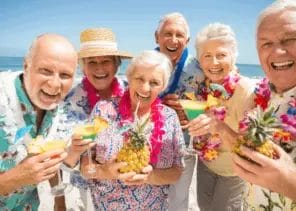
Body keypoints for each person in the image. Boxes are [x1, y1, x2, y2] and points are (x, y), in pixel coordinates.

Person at [81, 50, 185, 210]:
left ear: (163, 86)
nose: (145, 88)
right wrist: (105, 171)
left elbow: (178, 171)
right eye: (140, 79)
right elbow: (85, 166)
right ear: (129, 78)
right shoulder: (103, 110)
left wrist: (151, 177)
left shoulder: (170, 117)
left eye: (154, 82)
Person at [231, 0, 296, 209]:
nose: (278, 52)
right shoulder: (259, 96)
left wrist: (289, 183)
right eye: (266, 43)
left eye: (289, 39)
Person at [0, 34, 77, 210]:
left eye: (65, 75)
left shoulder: (56, 108)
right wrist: (16, 177)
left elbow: (49, 153)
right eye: (45, 71)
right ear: (26, 66)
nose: (55, 84)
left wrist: (60, 202)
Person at [59, 28, 133, 210]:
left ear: (117, 65)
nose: (99, 68)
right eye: (92, 62)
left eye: (106, 61)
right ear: (83, 67)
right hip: (87, 187)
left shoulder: (132, 93)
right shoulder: (70, 100)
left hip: (128, 182)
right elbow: (64, 161)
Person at [186, 23, 255, 210]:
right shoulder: (202, 85)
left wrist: (220, 127)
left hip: (234, 171)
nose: (214, 63)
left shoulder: (247, 91)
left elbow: (252, 148)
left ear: (234, 56)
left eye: (221, 55)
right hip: (206, 165)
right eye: (207, 56)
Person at [155, 12, 204, 210]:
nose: (173, 40)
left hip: (184, 145)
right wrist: (157, 106)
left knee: (178, 200)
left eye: (179, 35)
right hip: (151, 143)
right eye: (167, 33)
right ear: (156, 37)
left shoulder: (200, 68)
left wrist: (191, 114)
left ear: (188, 40)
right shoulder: (147, 65)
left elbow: (215, 103)